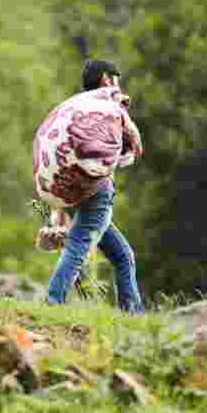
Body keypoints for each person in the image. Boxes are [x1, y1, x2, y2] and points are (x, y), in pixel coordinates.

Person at [32, 60, 145, 313]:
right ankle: (54, 300)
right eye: (115, 77)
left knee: (123, 256)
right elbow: (130, 151)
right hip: (98, 193)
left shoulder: (77, 108)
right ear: (106, 79)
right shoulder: (108, 106)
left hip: (73, 193)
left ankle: (133, 314)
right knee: (78, 246)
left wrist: (58, 217)